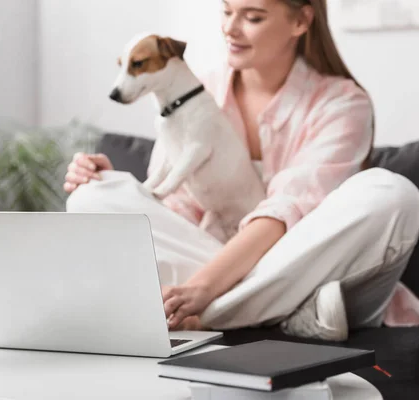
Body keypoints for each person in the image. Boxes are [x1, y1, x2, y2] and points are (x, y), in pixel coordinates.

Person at [63, 0, 419, 341]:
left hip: (318, 272)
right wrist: (124, 187)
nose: (230, 28)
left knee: (392, 193)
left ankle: (217, 312)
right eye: (227, 10)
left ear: (300, 21)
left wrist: (203, 288)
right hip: (230, 264)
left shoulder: (342, 102)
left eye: (253, 17)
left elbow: (286, 210)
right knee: (92, 197)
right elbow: (175, 207)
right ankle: (287, 310)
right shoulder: (197, 88)